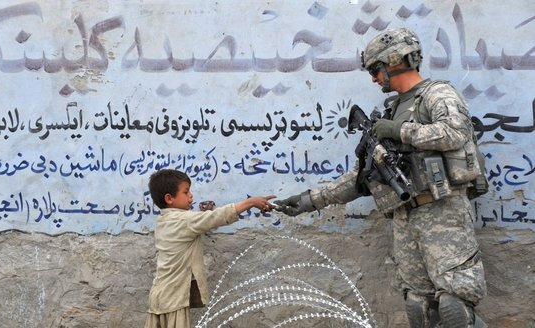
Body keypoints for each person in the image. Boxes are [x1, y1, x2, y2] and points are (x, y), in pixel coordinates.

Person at [274, 28, 487, 328]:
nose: (374, 78)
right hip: (405, 218)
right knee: (419, 307)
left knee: (454, 307)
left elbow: (456, 133)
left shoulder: (437, 94)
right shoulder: (392, 109)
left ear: (395, 61)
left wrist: (399, 131)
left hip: (443, 213)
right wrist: (309, 199)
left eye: (376, 69)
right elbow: (363, 178)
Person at [144, 169, 275, 328]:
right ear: (169, 198)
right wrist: (251, 202)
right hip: (173, 299)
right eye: (186, 192)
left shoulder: (164, 219)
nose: (191, 195)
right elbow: (216, 217)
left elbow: (197, 221)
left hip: (159, 296)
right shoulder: (185, 220)